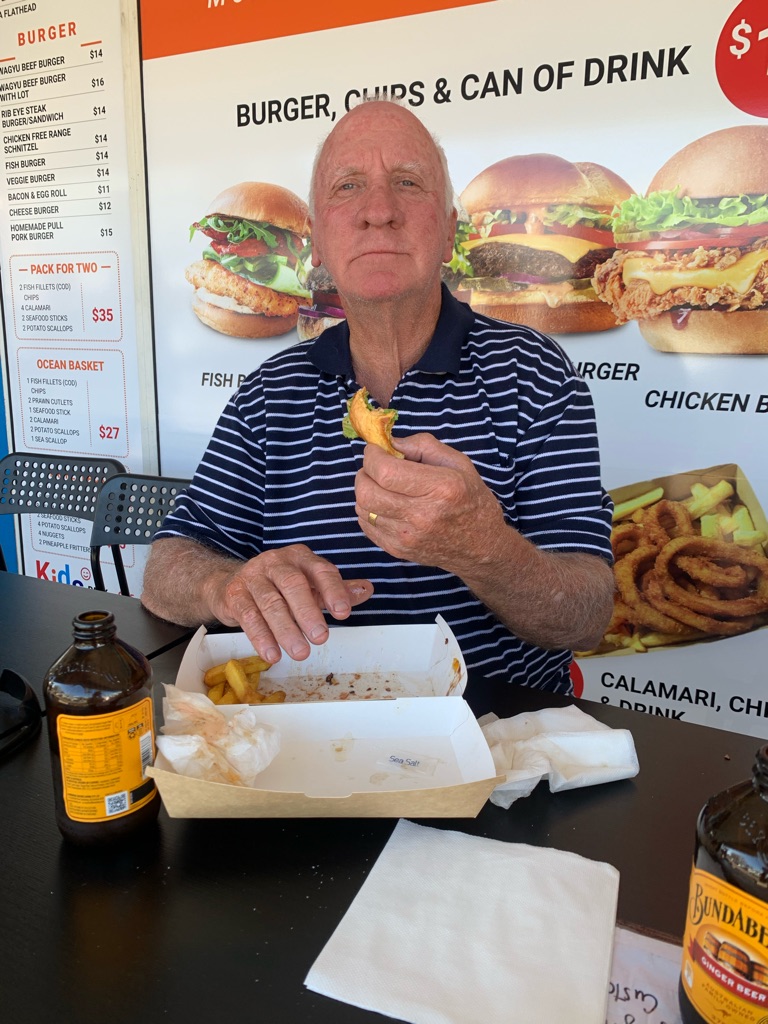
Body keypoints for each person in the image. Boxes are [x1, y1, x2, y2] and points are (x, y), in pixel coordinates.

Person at [142, 99, 615, 693]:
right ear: (316, 242)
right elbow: (167, 566)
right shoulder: (269, 392)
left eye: (408, 183)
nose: (379, 212)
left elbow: (588, 615)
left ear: (449, 232)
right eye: (348, 187)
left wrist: (484, 548)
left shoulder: (535, 372)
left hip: (494, 733)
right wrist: (228, 587)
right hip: (306, 726)